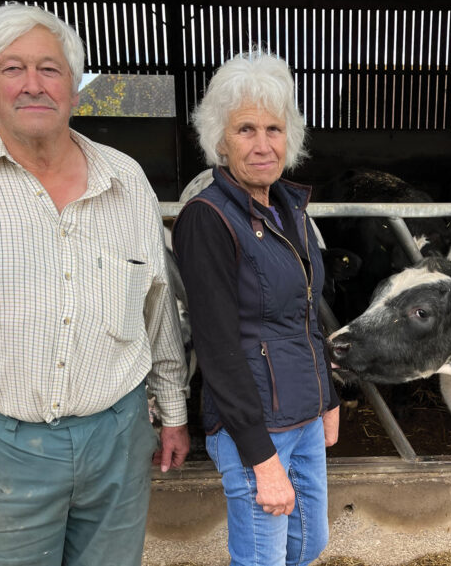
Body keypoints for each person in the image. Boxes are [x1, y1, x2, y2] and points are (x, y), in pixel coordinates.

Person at [0, 3, 190, 565]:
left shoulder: (127, 181)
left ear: (73, 87)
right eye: (12, 69)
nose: (33, 84)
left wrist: (173, 410)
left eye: (51, 68)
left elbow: (157, 307)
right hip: (8, 448)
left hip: (119, 436)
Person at [172, 49, 340, 566]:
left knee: (310, 543)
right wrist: (260, 457)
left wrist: (328, 397)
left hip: (305, 415)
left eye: (274, 128)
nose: (263, 144)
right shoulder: (209, 219)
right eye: (246, 130)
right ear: (219, 141)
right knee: (263, 559)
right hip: (255, 426)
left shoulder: (289, 207)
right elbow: (218, 348)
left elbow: (308, 313)